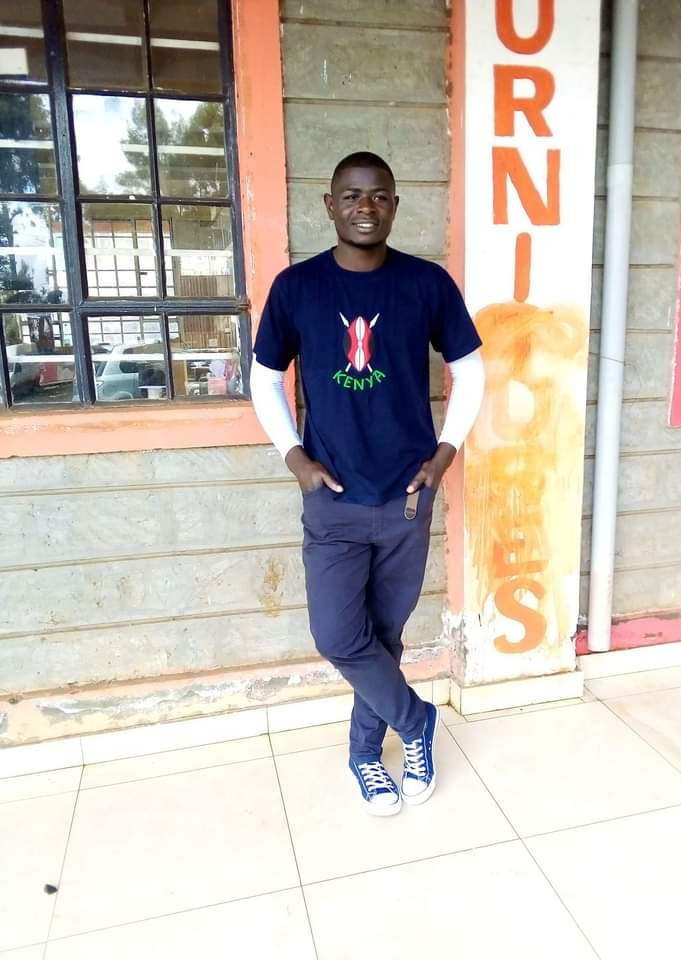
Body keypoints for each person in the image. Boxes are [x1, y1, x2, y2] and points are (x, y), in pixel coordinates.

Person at [251, 152, 484, 815]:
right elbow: (264, 378)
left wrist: (444, 455)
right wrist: (295, 458)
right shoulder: (297, 288)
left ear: (394, 205)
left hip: (407, 498)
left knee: (383, 637)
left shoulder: (426, 284)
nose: (365, 206)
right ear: (330, 205)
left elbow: (471, 370)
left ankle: (365, 755)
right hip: (332, 500)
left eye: (379, 195)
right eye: (352, 195)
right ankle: (416, 720)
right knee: (337, 636)